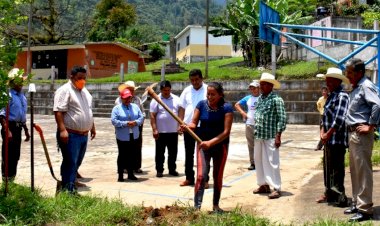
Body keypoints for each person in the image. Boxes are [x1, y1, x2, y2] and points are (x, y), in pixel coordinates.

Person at [183, 82, 233, 212]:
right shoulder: (201, 105)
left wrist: (211, 142)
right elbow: (194, 123)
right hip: (202, 145)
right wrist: (187, 127)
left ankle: (216, 206)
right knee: (201, 176)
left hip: (220, 146)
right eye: (208, 94)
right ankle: (196, 208)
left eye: (213, 94)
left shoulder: (227, 108)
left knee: (217, 176)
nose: (210, 97)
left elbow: (226, 132)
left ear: (220, 94)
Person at [344, 58, 380, 222]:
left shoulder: (366, 86)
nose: (347, 75)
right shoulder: (357, 86)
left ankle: (365, 209)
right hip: (353, 134)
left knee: (363, 172)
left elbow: (377, 105)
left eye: (350, 72)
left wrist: (371, 126)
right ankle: (357, 203)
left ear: (359, 73)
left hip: (362, 134)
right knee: (355, 170)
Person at [53, 66, 96, 193]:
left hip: (83, 134)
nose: (82, 80)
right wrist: (62, 130)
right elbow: (58, 111)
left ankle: (69, 184)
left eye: (84, 78)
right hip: (70, 134)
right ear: (72, 77)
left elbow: (88, 110)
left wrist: (92, 127)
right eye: (79, 78)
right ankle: (68, 190)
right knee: (70, 162)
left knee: (76, 162)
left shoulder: (85, 92)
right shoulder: (65, 90)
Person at [315, 68, 349, 207]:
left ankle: (340, 196)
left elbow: (339, 119)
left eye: (330, 80)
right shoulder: (331, 96)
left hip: (337, 139)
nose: (327, 83)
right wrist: (322, 133)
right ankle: (329, 193)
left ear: (338, 81)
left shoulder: (342, 96)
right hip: (328, 139)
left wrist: (328, 134)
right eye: (327, 80)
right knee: (328, 167)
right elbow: (324, 117)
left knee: (337, 168)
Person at [252, 72, 286, 199]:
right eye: (260, 84)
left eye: (264, 84)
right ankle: (263, 184)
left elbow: (281, 119)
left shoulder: (277, 100)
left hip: (271, 135)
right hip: (259, 135)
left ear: (271, 86)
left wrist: (278, 136)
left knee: (272, 162)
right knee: (259, 160)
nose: (261, 87)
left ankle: (276, 187)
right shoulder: (260, 99)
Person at [178, 69, 208, 187]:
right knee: (188, 153)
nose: (194, 82)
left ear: (202, 78)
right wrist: (180, 123)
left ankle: (205, 179)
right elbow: (181, 108)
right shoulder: (186, 91)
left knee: (204, 154)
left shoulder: (208, 89)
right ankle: (189, 178)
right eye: (192, 80)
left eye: (197, 79)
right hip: (188, 127)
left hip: (204, 126)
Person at [0, 68, 30, 181]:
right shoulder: (7, 95)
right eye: (20, 80)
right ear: (14, 82)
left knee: (16, 155)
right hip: (9, 127)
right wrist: (7, 130)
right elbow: (1, 115)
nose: (22, 83)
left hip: (18, 128)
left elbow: (22, 115)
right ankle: (6, 179)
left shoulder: (22, 96)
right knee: (8, 154)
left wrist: (26, 130)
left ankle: (12, 178)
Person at [149, 80, 181, 177]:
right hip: (161, 132)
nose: (166, 92)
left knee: (173, 153)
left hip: (173, 131)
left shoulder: (176, 99)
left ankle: (172, 169)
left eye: (168, 90)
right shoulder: (156, 99)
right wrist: (154, 129)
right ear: (161, 90)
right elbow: (152, 115)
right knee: (159, 153)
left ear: (170, 89)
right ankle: (159, 170)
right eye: (164, 90)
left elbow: (180, 113)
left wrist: (180, 126)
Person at [111, 88, 144, 182]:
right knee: (122, 155)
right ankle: (120, 175)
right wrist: (125, 123)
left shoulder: (135, 107)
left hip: (134, 134)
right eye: (125, 98)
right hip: (122, 135)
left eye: (129, 98)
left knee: (132, 154)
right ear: (121, 98)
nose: (127, 100)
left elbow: (141, 117)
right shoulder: (116, 108)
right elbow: (114, 121)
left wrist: (136, 122)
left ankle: (130, 173)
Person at [235, 80, 260, 170]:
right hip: (249, 124)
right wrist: (243, 113)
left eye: (254, 88)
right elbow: (237, 105)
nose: (253, 90)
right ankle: (253, 163)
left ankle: (261, 162)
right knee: (251, 144)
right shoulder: (248, 98)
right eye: (251, 88)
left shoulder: (263, 98)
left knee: (261, 144)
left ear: (259, 88)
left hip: (260, 125)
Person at [315, 86, 328, 151]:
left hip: (327, 116)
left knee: (326, 131)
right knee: (322, 131)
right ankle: (320, 146)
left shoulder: (329, 98)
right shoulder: (320, 99)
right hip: (322, 115)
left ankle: (321, 146)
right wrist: (321, 111)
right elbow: (318, 106)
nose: (324, 92)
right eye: (323, 91)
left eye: (325, 91)